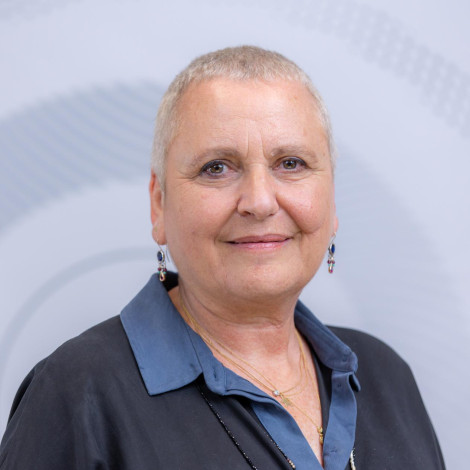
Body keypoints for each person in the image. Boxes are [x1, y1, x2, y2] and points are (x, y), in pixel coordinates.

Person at [0, 46, 445, 470]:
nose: (259, 202)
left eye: (291, 163)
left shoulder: (386, 377)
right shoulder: (77, 395)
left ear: (332, 202)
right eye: (217, 167)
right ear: (159, 204)